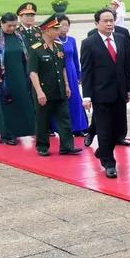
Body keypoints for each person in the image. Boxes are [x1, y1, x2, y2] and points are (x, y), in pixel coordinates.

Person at [80, 8, 130, 178]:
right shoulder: (89, 43)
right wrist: (87, 96)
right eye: (105, 21)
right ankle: (109, 163)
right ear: (97, 23)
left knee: (117, 129)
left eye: (112, 20)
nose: (110, 24)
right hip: (100, 94)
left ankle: (103, 151)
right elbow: (87, 72)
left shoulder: (121, 39)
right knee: (104, 130)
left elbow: (126, 65)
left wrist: (128, 88)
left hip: (119, 93)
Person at [29, 14, 83, 157]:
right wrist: (39, 92)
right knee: (42, 119)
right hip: (44, 90)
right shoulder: (36, 49)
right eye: (56, 28)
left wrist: (66, 84)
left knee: (64, 118)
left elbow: (63, 67)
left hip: (59, 88)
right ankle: (42, 146)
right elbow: (33, 72)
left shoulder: (59, 46)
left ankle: (67, 146)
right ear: (47, 30)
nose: (59, 31)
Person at [0, 12, 36, 145]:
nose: (12, 28)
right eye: (9, 26)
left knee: (21, 104)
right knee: (5, 107)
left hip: (19, 76)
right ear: (1, 24)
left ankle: (20, 131)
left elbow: (26, 56)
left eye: (14, 25)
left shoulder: (20, 37)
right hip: (2, 79)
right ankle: (7, 134)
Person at [57, 16, 89, 136]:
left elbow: (76, 58)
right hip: (60, 71)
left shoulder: (71, 40)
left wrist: (79, 74)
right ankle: (64, 128)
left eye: (67, 25)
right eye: (62, 25)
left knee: (75, 100)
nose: (65, 28)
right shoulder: (54, 41)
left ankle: (78, 127)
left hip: (71, 72)